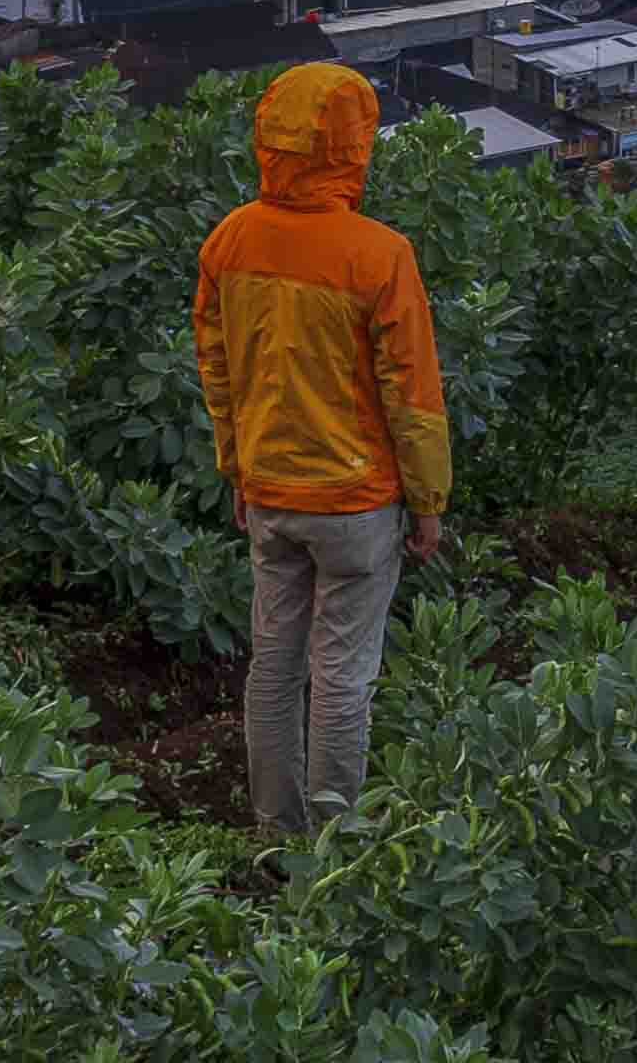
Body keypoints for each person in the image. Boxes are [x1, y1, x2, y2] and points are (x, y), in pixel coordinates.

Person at [193, 59, 453, 834]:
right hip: (357, 504)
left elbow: (219, 373)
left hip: (270, 493)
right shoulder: (378, 254)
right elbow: (414, 396)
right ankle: (339, 854)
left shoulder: (229, 241)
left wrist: (236, 466)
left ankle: (278, 836)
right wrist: (429, 503)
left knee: (273, 666)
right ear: (353, 145)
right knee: (342, 677)